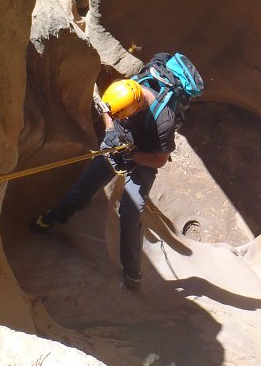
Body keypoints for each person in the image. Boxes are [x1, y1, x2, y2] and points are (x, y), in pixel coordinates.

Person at [31, 53, 203, 291]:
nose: (117, 117)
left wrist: (131, 157)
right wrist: (111, 130)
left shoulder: (163, 121)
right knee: (83, 190)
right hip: (118, 143)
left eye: (123, 115)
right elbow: (106, 107)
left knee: (130, 215)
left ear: (137, 106)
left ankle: (133, 273)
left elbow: (160, 160)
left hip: (143, 157)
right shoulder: (124, 89)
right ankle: (50, 218)